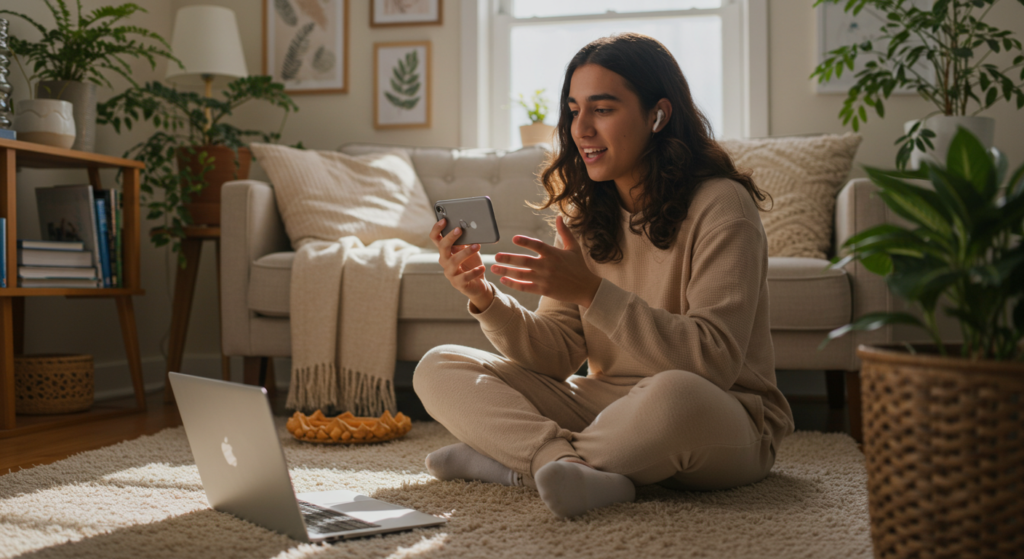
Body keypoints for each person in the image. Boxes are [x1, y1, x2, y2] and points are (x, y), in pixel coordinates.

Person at [413, 33, 795, 519]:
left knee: (672, 394)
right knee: (439, 365)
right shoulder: (584, 214)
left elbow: (712, 360)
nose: (581, 129)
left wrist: (592, 292)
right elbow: (556, 355)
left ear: (657, 115)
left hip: (718, 411)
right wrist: (486, 299)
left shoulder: (722, 206)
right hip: (604, 409)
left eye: (603, 109)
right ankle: (558, 461)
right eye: (573, 109)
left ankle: (513, 461)